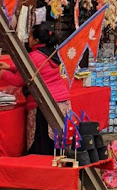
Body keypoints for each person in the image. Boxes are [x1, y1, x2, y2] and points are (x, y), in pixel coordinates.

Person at [0, 21, 71, 154]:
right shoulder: (50, 52)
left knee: (43, 147)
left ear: (36, 40)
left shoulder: (34, 56)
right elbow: (30, 68)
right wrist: (9, 67)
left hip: (45, 105)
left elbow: (19, 80)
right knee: (57, 145)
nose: (29, 39)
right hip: (61, 100)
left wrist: (2, 73)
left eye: (31, 36)